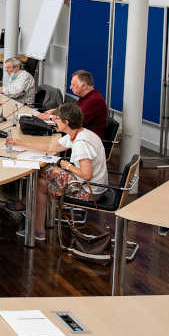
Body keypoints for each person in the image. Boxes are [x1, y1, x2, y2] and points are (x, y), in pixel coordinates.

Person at [9, 102, 109, 242]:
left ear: (66, 122)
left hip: (90, 191)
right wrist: (19, 143)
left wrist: (65, 164)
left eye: (57, 119)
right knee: (40, 183)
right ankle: (37, 230)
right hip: (92, 186)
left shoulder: (81, 144)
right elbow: (50, 147)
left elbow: (86, 175)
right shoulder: (78, 133)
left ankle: (29, 211)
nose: (54, 121)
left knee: (42, 170)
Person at [43, 69, 107, 139]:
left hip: (86, 141)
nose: (70, 87)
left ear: (84, 86)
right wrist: (55, 111)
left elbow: (73, 121)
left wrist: (51, 117)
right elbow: (73, 112)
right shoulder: (85, 96)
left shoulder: (94, 101)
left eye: (73, 85)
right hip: (79, 134)